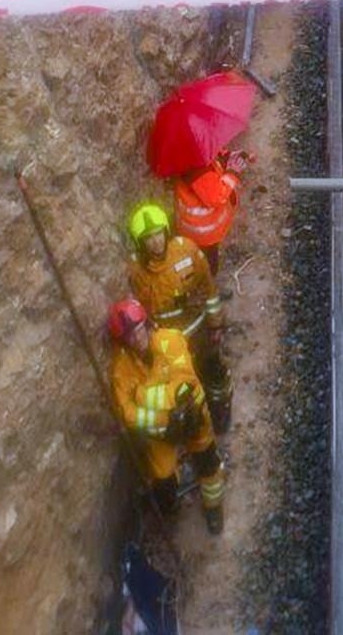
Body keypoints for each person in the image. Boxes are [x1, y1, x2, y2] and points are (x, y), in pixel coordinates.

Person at [108, 298, 225, 535]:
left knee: (207, 463)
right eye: (130, 336)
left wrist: (142, 396)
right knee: (162, 476)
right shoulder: (122, 369)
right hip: (160, 430)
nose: (136, 339)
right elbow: (127, 414)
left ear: (147, 325)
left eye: (139, 330)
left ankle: (214, 508)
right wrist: (165, 421)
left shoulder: (170, 341)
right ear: (123, 341)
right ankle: (170, 505)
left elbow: (186, 385)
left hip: (192, 414)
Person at [126, 203, 232, 433]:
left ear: (166, 232)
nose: (156, 242)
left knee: (214, 373)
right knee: (183, 386)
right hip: (169, 345)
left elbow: (209, 290)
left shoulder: (187, 250)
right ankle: (195, 425)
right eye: (148, 238)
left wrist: (216, 325)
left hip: (201, 332)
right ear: (140, 243)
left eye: (158, 234)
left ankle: (220, 411)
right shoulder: (137, 273)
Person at [174, 147, 251, 276]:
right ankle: (205, 279)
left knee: (195, 252)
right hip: (203, 230)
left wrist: (227, 157)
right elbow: (217, 196)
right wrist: (232, 173)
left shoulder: (192, 156)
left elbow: (213, 160)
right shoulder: (196, 170)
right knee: (207, 259)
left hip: (194, 226)